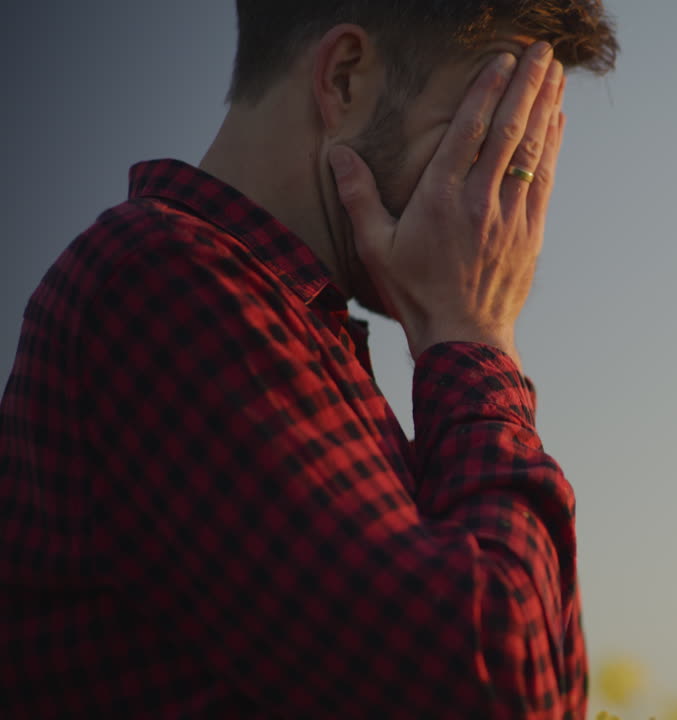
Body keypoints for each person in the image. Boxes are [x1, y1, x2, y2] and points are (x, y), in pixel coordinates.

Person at [0, 1, 617, 717]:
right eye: (482, 144)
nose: (500, 211)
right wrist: (473, 333)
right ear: (345, 80)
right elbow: (503, 692)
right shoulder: (164, 282)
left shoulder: (287, 323)